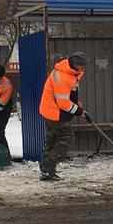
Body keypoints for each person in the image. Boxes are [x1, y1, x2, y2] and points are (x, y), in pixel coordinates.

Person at [38, 51, 88, 181]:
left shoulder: (70, 72)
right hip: (55, 113)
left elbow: (71, 92)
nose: (83, 69)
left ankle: (46, 170)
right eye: (82, 66)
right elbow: (63, 103)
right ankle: (48, 166)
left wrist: (76, 104)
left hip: (50, 110)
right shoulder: (62, 77)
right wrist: (79, 111)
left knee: (52, 140)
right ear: (75, 64)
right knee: (66, 140)